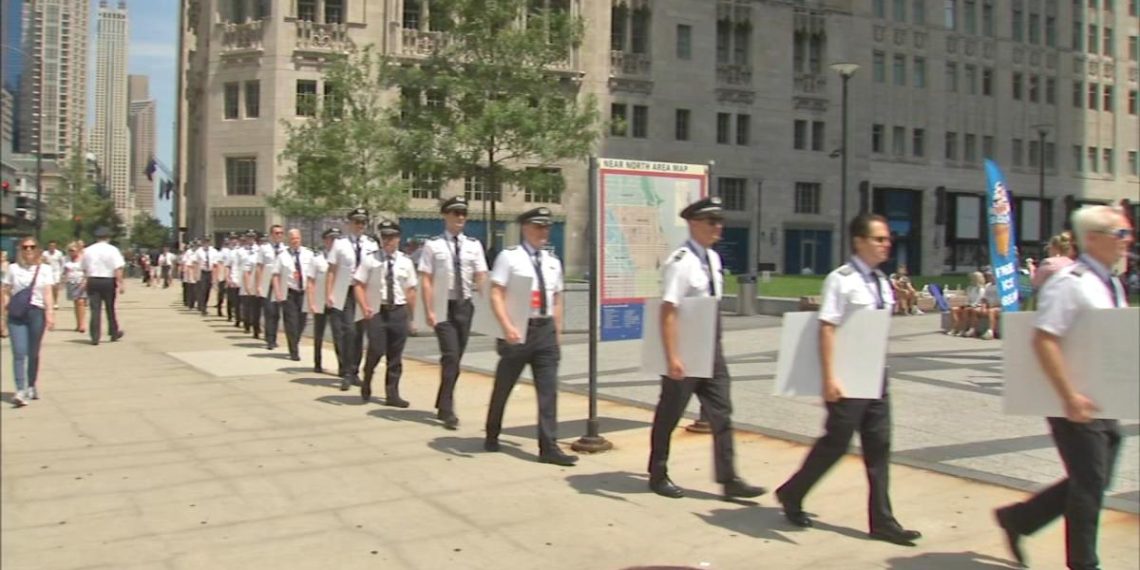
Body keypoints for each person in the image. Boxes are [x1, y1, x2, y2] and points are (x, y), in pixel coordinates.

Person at [994, 205, 1132, 570]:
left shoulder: (1112, 283)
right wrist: (1068, 395)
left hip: (1102, 400)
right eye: (1120, 234)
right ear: (1093, 238)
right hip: (1073, 402)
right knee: (1088, 486)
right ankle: (1083, 564)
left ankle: (1020, 519)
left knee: (1093, 480)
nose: (1128, 240)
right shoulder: (1071, 283)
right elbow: (1044, 340)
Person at [775, 213, 922, 546]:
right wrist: (829, 379)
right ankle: (792, 493)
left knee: (879, 447)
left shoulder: (882, 282)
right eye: (879, 239)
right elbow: (827, 327)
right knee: (836, 443)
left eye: (887, 239)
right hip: (847, 377)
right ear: (859, 241)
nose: (886, 244)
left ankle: (883, 521)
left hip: (875, 375)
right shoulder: (841, 280)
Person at [645, 197, 764, 497]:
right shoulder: (681, 262)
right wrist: (673, 357)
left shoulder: (712, 259)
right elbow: (668, 310)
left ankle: (729, 479)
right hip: (684, 350)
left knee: (722, 412)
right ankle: (658, 473)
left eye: (720, 221)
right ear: (695, 223)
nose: (719, 227)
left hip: (711, 347)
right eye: (712, 222)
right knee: (670, 413)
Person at [481, 208, 577, 465]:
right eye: (538, 226)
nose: (543, 232)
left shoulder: (552, 261)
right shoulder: (509, 257)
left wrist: (557, 332)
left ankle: (549, 446)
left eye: (547, 227)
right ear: (525, 228)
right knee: (504, 386)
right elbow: (496, 293)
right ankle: (492, 432)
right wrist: (506, 326)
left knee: (548, 391)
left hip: (544, 329)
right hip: (518, 329)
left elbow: (557, 298)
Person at [418, 196, 488, 430]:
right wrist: (428, 309)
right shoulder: (433, 245)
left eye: (463, 214)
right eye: (455, 213)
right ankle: (448, 409)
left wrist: (487, 298)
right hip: (443, 305)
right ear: (445, 216)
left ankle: (442, 399)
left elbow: (481, 275)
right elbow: (425, 279)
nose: (460, 218)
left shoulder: (473, 245)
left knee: (456, 358)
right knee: (450, 355)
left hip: (464, 305)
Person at [354, 220, 417, 406]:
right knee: (376, 349)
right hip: (377, 311)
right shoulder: (370, 259)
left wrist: (412, 318)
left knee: (395, 355)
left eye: (392, 237)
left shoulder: (406, 262)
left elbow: (411, 290)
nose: (388, 240)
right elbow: (358, 284)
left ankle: (392, 394)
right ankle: (367, 378)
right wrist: (364, 306)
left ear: (399, 238)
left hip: (398, 310)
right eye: (385, 237)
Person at [327, 209, 380, 391]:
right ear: (349, 223)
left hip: (364, 291)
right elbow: (332, 270)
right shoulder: (340, 244)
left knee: (359, 332)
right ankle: (346, 371)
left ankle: (355, 370)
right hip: (346, 290)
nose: (360, 226)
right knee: (348, 331)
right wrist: (329, 293)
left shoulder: (371, 244)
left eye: (363, 222)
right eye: (356, 222)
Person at [2, 236, 56, 406]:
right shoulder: (12, 268)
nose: (28, 250)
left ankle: (31, 384)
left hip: (36, 313)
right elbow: (5, 291)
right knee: (19, 352)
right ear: (20, 250)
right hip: (16, 314)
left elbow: (48, 292)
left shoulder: (45, 269)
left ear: (38, 249)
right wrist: (2, 316)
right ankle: (20, 390)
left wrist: (50, 314)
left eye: (32, 247)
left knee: (33, 353)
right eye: (25, 247)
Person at [273, 228, 315, 362]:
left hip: (304, 292)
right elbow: (275, 275)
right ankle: (294, 350)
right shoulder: (282, 256)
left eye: (297, 238)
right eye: (292, 239)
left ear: (300, 238)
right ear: (288, 240)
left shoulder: (309, 254)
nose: (295, 241)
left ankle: (295, 341)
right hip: (290, 292)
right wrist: (278, 292)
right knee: (291, 322)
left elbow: (313, 275)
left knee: (302, 322)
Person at [81, 227, 126, 346]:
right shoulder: (113, 250)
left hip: (93, 280)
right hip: (108, 280)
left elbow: (84, 268)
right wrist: (120, 283)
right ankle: (113, 331)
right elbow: (118, 268)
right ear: (108, 237)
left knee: (95, 309)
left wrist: (85, 281)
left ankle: (95, 336)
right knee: (110, 308)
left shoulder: (88, 250)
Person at [308, 228, 341, 374]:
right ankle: (317, 362)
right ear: (325, 241)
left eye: (336, 239)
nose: (334, 242)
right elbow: (311, 282)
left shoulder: (342, 259)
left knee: (338, 335)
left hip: (336, 301)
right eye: (331, 239)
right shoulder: (317, 259)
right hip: (320, 301)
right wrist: (311, 302)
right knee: (319, 334)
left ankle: (342, 365)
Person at [258, 225, 286, 350]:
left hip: (281, 284)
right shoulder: (264, 249)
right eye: (276, 233)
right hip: (268, 284)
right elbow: (259, 267)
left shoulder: (285, 249)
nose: (278, 235)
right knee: (270, 312)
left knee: (277, 314)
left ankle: (273, 336)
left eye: (281, 233)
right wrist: (258, 285)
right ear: (271, 235)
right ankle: (270, 339)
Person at [238, 230, 262, 337]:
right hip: (245, 280)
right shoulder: (240, 251)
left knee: (257, 307)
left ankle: (257, 328)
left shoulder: (260, 250)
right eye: (249, 237)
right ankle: (247, 324)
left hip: (258, 282)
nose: (250, 239)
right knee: (247, 306)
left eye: (252, 237)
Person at [948, 271, 985, 336]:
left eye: (973, 278)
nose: (971, 279)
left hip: (977, 305)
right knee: (954, 309)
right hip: (969, 304)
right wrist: (966, 304)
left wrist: (970, 305)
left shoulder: (981, 289)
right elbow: (968, 298)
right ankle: (955, 327)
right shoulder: (969, 288)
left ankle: (963, 329)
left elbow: (979, 300)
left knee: (966, 310)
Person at [62, 242, 87, 333]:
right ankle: (78, 323)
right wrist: (63, 281)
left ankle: (82, 324)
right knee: (76, 303)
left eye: (73, 250)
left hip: (81, 282)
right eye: (69, 250)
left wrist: (85, 281)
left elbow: (87, 271)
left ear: (78, 250)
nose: (71, 252)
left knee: (81, 302)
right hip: (71, 282)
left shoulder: (83, 259)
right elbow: (64, 271)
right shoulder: (66, 259)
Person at [975, 271, 1001, 340]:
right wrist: (983, 307)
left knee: (991, 311)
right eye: (988, 276)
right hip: (989, 306)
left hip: (999, 307)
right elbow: (984, 299)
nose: (989, 277)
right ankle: (974, 330)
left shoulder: (1001, 286)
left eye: (991, 276)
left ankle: (991, 331)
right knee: (975, 310)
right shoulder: (988, 285)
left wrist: (995, 306)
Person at [196, 237, 218, 316]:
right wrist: (197, 275)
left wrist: (215, 276)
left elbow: (216, 264)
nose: (206, 243)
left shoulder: (214, 251)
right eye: (205, 241)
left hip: (211, 272)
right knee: (203, 290)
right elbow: (196, 263)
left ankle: (205, 303)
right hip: (202, 272)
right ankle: (203, 307)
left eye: (208, 241)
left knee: (208, 290)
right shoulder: (199, 251)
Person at [41, 240, 65, 310]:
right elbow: (42, 261)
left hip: (56, 272)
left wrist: (61, 272)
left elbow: (62, 263)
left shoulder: (59, 253)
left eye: (53, 246)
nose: (52, 247)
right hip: (48, 272)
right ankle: (48, 301)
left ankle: (55, 302)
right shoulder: (45, 253)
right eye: (50, 246)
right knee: (48, 287)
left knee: (55, 287)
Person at [216, 234, 235, 317]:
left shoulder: (238, 250)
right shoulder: (223, 251)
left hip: (234, 275)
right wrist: (220, 276)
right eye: (231, 239)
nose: (233, 241)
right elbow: (220, 264)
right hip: (224, 274)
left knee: (232, 296)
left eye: (234, 239)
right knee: (222, 294)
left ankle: (231, 313)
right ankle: (219, 308)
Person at [1, 250, 10, 338]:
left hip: (4, 289)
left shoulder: (6, 265)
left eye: (4, 256)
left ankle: (3, 328)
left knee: (4, 310)